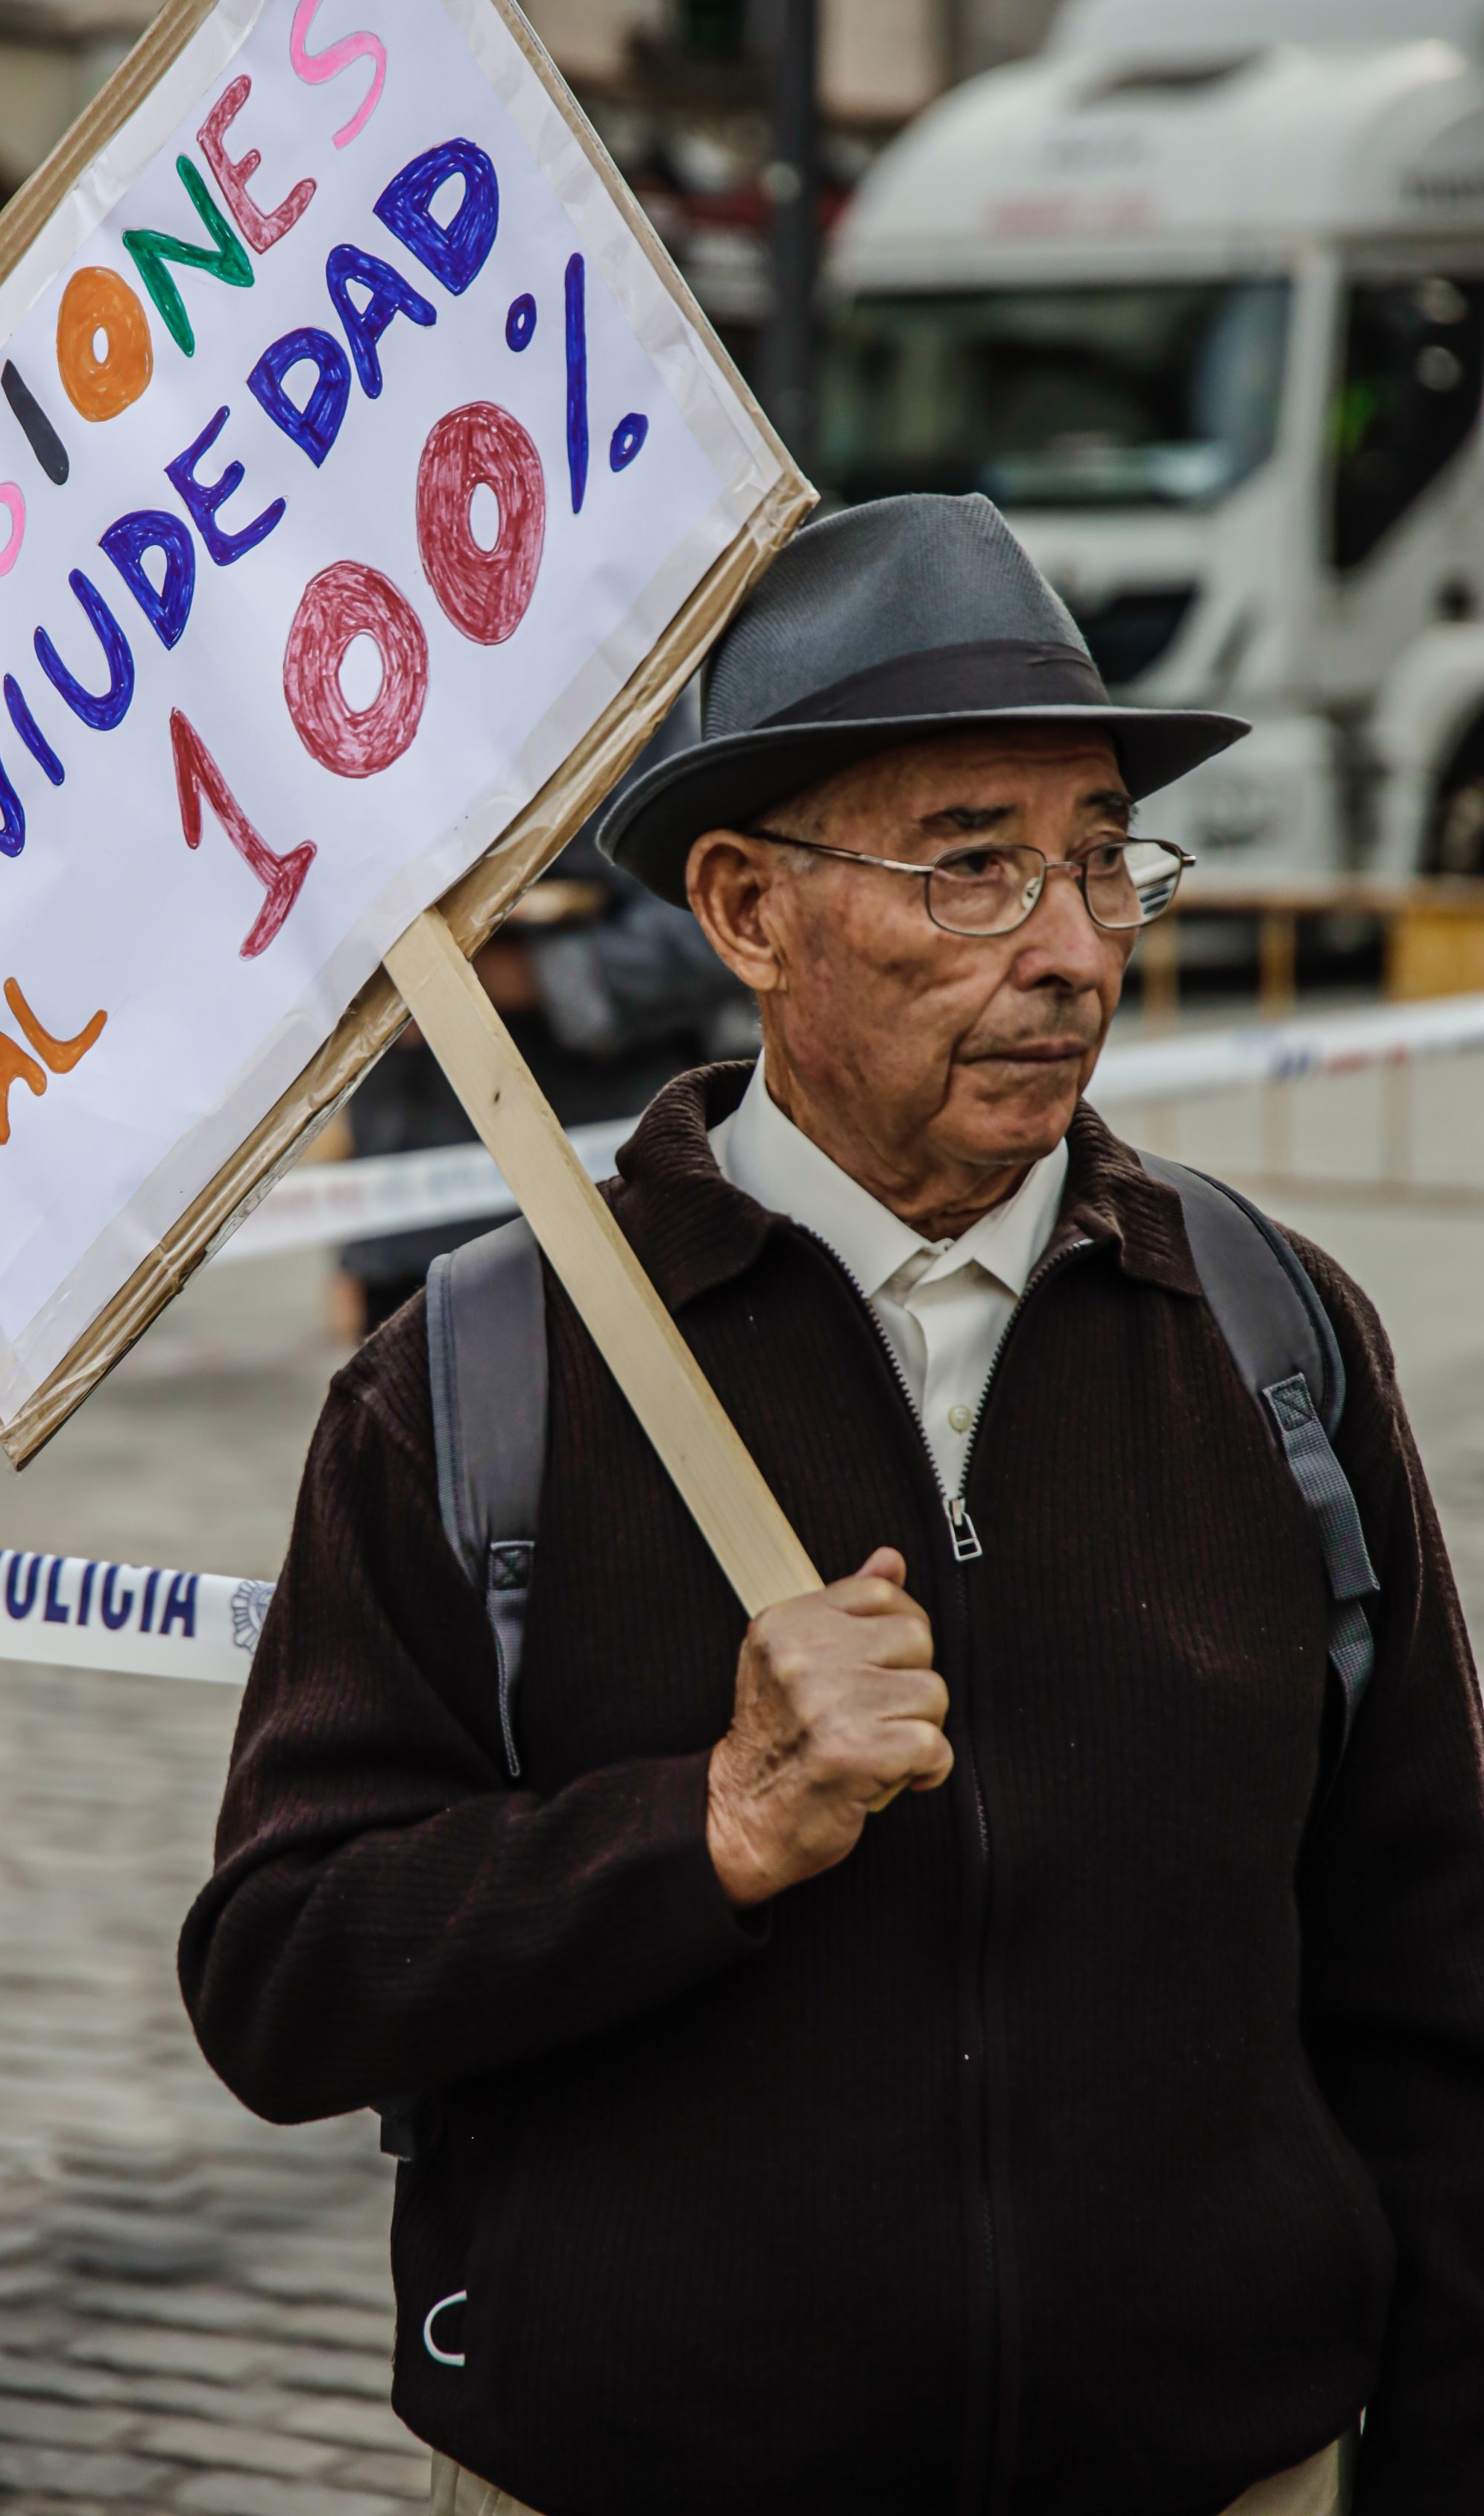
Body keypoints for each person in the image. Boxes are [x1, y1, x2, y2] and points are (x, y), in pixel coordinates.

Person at [180, 494, 1484, 2516]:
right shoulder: (482, 1380)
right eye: (971, 868)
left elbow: (1427, 1973)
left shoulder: (1266, 1334)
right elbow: (284, 1977)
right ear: (748, 911)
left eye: (1100, 862)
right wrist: (701, 1830)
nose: (1068, 950)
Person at [338, 693, 745, 1334]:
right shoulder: (357, 712)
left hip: (594, 1208)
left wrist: (523, 978)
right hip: (407, 1224)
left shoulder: (621, 696)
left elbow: (720, 923)